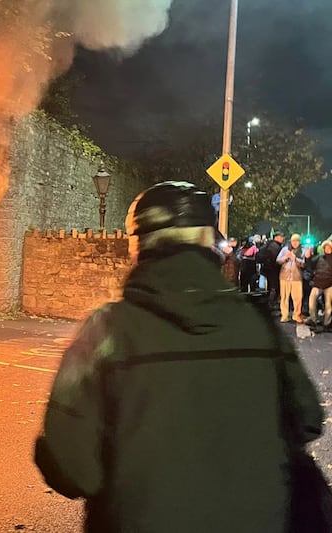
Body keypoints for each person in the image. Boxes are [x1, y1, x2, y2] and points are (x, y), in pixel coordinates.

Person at [34, 181, 322, 533]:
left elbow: (73, 468)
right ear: (209, 242)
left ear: (139, 246)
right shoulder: (258, 325)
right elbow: (307, 419)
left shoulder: (107, 331)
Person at [277, 234, 307, 323]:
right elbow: (278, 260)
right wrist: (286, 257)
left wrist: (295, 259)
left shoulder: (303, 250)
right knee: (284, 297)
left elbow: (303, 264)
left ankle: (296, 315)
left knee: (297, 298)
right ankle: (284, 315)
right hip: (284, 277)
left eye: (297, 241)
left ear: (299, 242)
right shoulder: (285, 249)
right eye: (293, 241)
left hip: (296, 277)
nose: (295, 243)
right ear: (290, 241)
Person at [306, 240, 332, 330]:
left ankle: (327, 323)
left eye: (329, 247)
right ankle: (313, 319)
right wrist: (308, 257)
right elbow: (309, 265)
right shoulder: (318, 257)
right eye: (326, 247)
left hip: (329, 285)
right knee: (311, 302)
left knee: (329, 305)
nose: (327, 249)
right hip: (317, 284)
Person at [258, 232, 284, 308]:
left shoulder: (269, 244)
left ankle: (270, 303)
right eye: (281, 237)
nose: (283, 238)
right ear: (276, 237)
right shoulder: (275, 246)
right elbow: (276, 259)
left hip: (268, 269)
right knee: (274, 287)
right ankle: (272, 303)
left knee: (271, 286)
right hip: (273, 269)